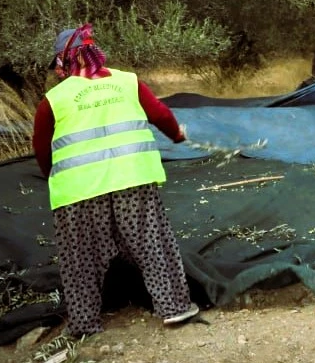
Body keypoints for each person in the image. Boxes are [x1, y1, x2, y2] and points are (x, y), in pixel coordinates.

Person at [31, 24, 198, 337]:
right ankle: (174, 308)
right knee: (151, 245)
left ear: (63, 62)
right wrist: (177, 135)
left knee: (80, 259)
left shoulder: (53, 100)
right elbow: (160, 114)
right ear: (94, 53)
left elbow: (41, 149)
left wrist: (53, 174)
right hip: (132, 181)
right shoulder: (127, 82)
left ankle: (84, 324)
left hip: (79, 192)